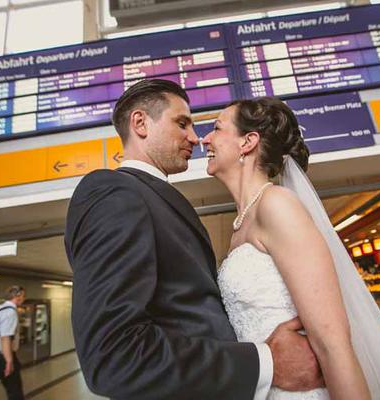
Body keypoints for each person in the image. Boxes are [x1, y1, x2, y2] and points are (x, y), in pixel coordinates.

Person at [64, 79, 323, 399]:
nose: (194, 136)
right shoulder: (114, 192)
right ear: (141, 123)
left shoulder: (162, 199)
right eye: (182, 123)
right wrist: (266, 362)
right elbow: (113, 355)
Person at [201, 97, 380, 399]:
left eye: (217, 128)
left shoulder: (276, 205)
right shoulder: (241, 225)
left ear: (248, 142)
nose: (205, 138)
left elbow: (332, 343)